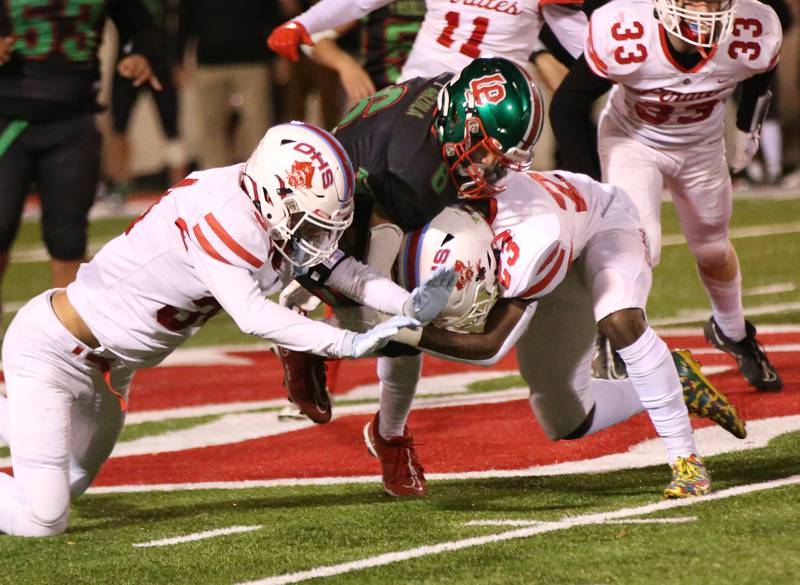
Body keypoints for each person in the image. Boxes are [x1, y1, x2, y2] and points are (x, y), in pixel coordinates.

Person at [0, 121, 458, 537]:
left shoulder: (264, 206)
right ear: (274, 194)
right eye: (311, 223)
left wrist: (408, 303)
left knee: (70, 483)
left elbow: (345, 271)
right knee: (45, 519)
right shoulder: (222, 214)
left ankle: (17, 419)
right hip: (55, 354)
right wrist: (349, 342)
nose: (317, 237)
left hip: (112, 373)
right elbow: (252, 315)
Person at [275, 58, 544, 425]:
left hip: (368, 186)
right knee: (387, 330)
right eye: (483, 152)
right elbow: (379, 247)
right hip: (328, 223)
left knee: (401, 322)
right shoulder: (412, 169)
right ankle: (302, 342)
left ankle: (390, 431)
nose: (487, 167)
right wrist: (392, 310)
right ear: (460, 120)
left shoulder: (447, 102)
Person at [549, 0, 783, 391]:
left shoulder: (753, 27)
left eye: (713, 0)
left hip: (702, 144)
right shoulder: (627, 28)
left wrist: (747, 126)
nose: (705, 9)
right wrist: (591, 187)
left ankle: (733, 331)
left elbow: (762, 73)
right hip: (632, 140)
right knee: (641, 244)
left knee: (712, 248)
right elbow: (567, 106)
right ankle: (614, 333)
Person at [0, 0, 161, 324]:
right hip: (7, 121)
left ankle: (63, 341)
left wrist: (138, 54)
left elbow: (141, 26)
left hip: (74, 120)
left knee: (68, 238)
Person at [267, 0, 588, 83]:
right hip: (424, 88)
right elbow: (359, 3)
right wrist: (303, 23)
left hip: (494, 101)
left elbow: (587, 46)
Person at [105, 0, 187, 199]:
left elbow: (179, 23)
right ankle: (119, 182)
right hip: (127, 60)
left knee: (171, 126)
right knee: (119, 123)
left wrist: (177, 60)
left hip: (161, 60)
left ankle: (180, 185)